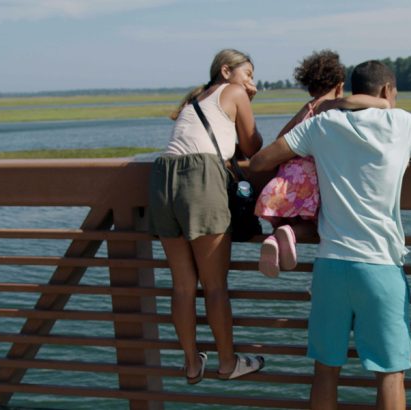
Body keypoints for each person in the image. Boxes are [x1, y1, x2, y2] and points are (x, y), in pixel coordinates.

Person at [250, 60, 411, 409]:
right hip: (381, 267)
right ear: (386, 91)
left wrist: (324, 110)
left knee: (325, 370)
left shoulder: (322, 124)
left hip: (331, 266)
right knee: (391, 374)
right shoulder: (401, 122)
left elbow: (260, 162)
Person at [148, 48, 266, 385]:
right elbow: (252, 146)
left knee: (183, 285)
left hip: (162, 178)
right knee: (215, 285)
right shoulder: (235, 92)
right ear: (226, 71)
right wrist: (248, 101)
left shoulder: (196, 98)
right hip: (200, 178)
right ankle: (227, 362)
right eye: (249, 74)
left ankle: (191, 364)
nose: (252, 82)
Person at [255, 50, 389, 277]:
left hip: (289, 178)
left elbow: (281, 140)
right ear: (339, 85)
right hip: (312, 181)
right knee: (321, 223)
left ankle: (276, 239)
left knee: (287, 221)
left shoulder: (306, 109)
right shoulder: (333, 107)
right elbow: (382, 104)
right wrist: (349, 100)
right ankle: (288, 234)